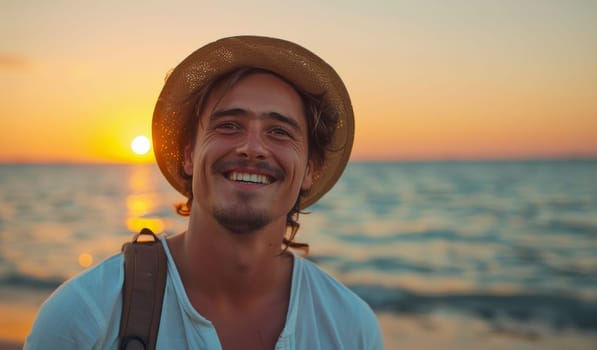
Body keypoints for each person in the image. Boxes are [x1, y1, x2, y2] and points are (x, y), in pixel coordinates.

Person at [25, 36, 383, 349]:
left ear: (309, 169)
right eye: (229, 125)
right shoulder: (85, 316)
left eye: (279, 132)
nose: (252, 147)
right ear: (188, 155)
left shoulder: (350, 328)